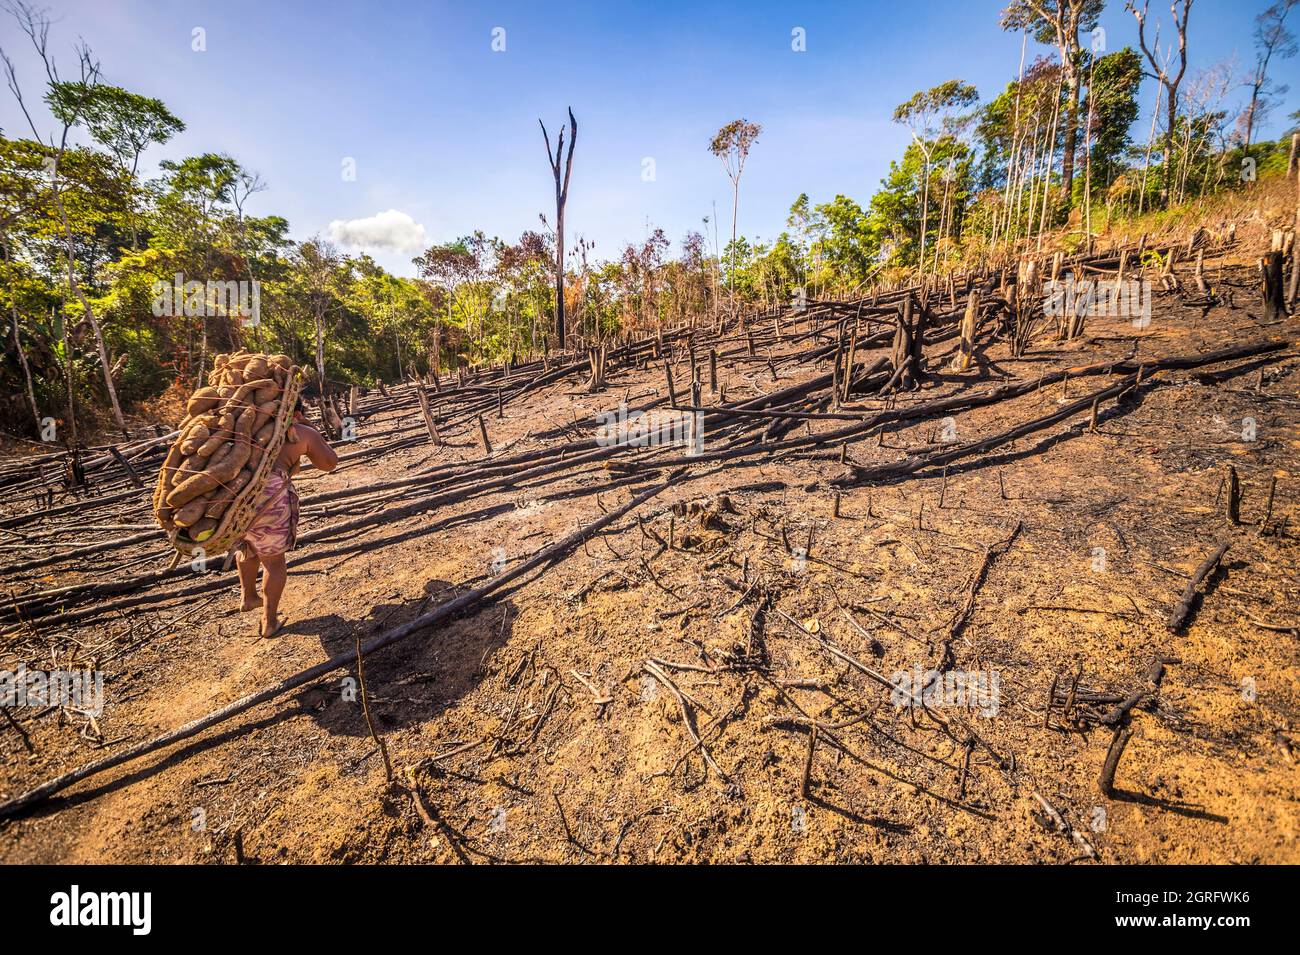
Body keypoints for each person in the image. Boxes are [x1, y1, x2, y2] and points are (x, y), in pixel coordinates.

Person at [237, 397, 338, 637]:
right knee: (274, 562)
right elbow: (329, 463)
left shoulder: (241, 431)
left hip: (235, 497)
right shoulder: (301, 432)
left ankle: (249, 596)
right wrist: (310, 430)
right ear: (296, 413)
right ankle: (269, 622)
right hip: (268, 499)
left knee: (248, 546)